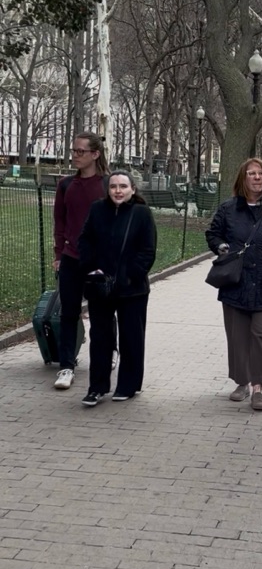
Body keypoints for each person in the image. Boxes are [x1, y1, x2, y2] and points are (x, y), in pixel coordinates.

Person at [205, 157, 262, 411]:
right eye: (251, 173)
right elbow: (213, 233)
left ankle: (258, 387)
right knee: (238, 337)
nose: (257, 177)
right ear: (243, 178)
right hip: (236, 282)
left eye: (261, 173)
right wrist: (221, 247)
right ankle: (242, 382)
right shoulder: (228, 209)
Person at [78, 170, 157, 406]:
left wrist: (131, 274)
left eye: (123, 186)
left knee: (131, 337)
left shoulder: (141, 213)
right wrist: (91, 268)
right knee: (100, 338)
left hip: (132, 288)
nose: (118, 191)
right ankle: (97, 387)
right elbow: (85, 240)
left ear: (133, 189)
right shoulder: (97, 209)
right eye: (113, 186)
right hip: (100, 285)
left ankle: (128, 385)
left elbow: (148, 249)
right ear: (108, 189)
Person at [53, 132, 112, 390]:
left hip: (100, 261)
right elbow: (60, 222)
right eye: (74, 150)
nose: (75, 155)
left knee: (103, 313)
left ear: (95, 154)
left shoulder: (108, 184)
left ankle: (109, 352)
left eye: (81, 151)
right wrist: (58, 254)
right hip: (71, 258)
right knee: (69, 313)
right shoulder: (66, 185)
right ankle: (66, 366)